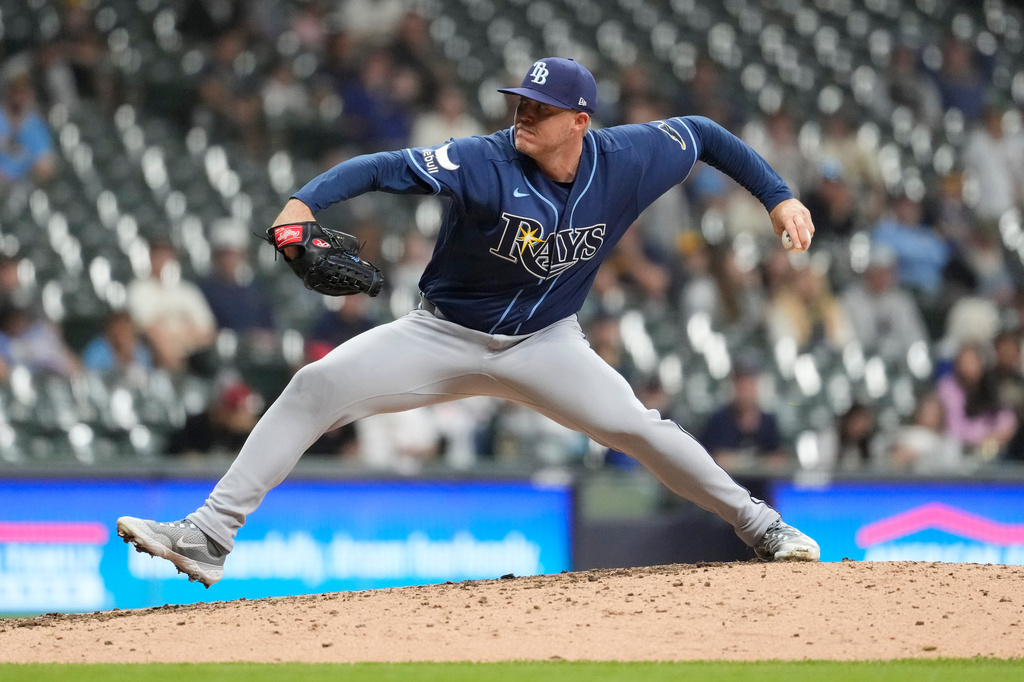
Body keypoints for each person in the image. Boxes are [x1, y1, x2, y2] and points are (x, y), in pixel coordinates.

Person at [117, 57, 820, 586]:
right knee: (313, 386)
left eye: (541, 109)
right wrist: (301, 208)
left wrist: (778, 196)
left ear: (580, 122)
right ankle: (208, 536)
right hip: (441, 334)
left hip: (546, 342)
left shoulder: (628, 157)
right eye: (520, 102)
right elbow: (384, 166)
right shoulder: (483, 160)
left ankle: (764, 526)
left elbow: (702, 133)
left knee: (639, 427)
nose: (523, 116)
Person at [700, 359, 787, 470]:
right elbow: (709, 458)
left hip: (759, 486)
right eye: (741, 384)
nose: (746, 390)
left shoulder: (768, 422)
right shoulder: (718, 420)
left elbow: (778, 458)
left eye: (750, 384)